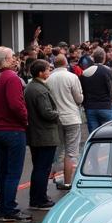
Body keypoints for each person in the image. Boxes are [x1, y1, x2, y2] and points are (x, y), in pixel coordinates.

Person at [0, 46, 31, 222]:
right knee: (13, 172)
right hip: (12, 129)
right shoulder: (12, 78)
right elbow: (16, 104)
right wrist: (25, 119)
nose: (15, 59)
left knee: (2, 170)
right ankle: (9, 209)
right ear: (6, 59)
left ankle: (2, 205)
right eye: (12, 56)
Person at [24, 59, 59, 210]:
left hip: (35, 132)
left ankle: (37, 197)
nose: (49, 72)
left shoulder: (30, 87)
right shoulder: (40, 90)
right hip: (44, 134)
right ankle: (40, 199)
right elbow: (47, 113)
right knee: (43, 168)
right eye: (47, 70)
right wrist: (58, 114)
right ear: (40, 73)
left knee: (38, 167)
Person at [47, 54, 84, 191]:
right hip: (71, 117)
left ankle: (54, 174)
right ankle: (68, 182)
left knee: (60, 147)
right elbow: (79, 98)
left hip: (56, 118)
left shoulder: (48, 78)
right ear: (66, 63)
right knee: (71, 151)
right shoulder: (72, 77)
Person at [81, 47, 112, 133]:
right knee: (107, 135)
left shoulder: (85, 72)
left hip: (90, 107)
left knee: (94, 135)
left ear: (93, 58)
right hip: (105, 106)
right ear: (104, 58)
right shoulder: (108, 71)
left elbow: (83, 89)